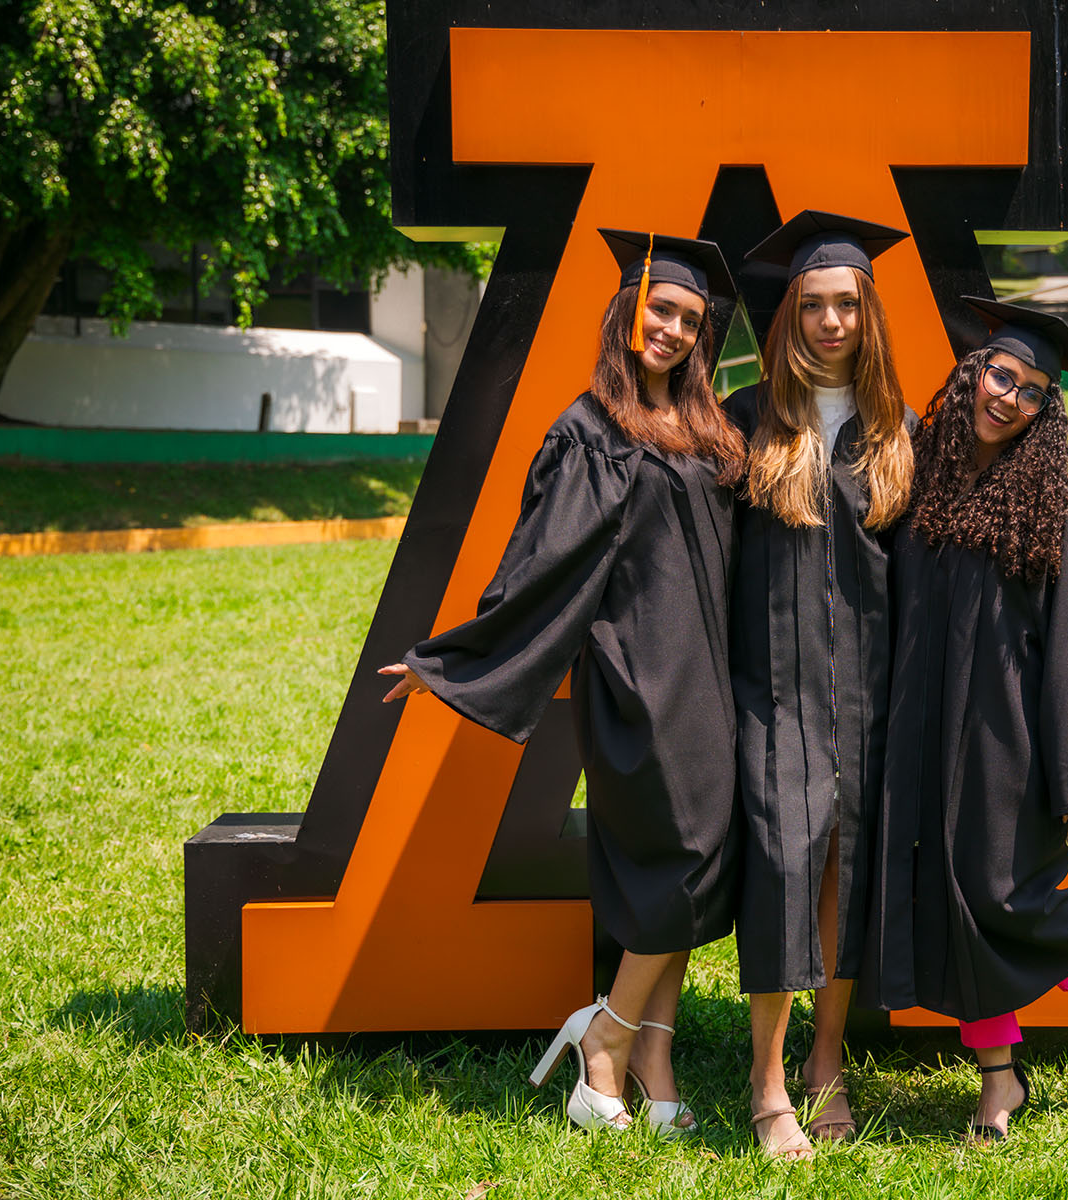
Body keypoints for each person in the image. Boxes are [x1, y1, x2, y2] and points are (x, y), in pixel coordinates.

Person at [377, 230, 746, 1136]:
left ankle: (653, 1056)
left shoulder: (707, 430)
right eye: (662, 309)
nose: (672, 329)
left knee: (704, 867)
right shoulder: (589, 429)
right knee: (682, 859)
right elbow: (541, 566)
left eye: (691, 320)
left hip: (715, 677)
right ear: (629, 310)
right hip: (642, 678)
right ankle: (608, 1041)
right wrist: (453, 659)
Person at [859, 297, 1068, 1143]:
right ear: (972, 372)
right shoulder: (915, 472)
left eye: (1032, 391)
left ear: (1045, 412)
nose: (1010, 397)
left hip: (1006, 738)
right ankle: (1001, 1082)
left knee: (998, 890)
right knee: (941, 899)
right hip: (913, 725)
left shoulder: (1066, 506)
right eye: (1002, 374)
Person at [725, 210, 916, 1160]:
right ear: (790, 315)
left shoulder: (898, 434)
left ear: (868, 315)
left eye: (847, 304)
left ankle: (827, 1060)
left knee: (847, 871)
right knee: (782, 869)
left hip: (871, 702)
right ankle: (767, 1083)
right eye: (814, 305)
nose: (832, 321)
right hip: (774, 699)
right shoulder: (745, 424)